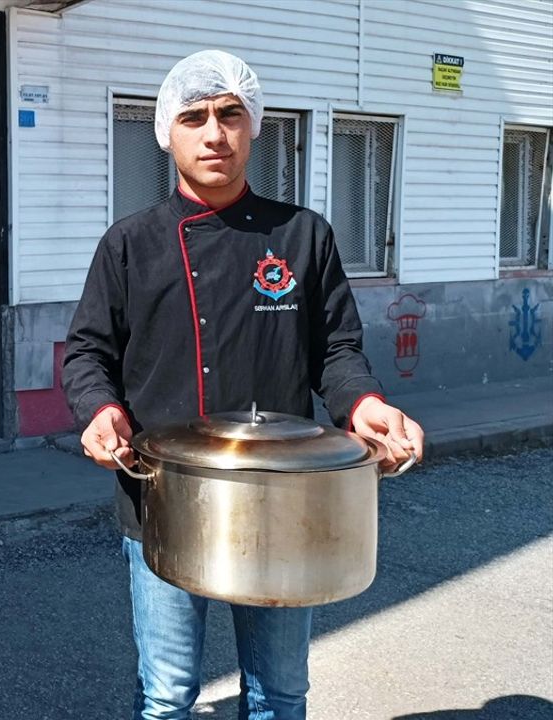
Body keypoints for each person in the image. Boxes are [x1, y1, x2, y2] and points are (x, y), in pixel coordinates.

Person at [62, 50, 425, 719]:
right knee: (167, 696)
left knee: (279, 692)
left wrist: (367, 404)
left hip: (278, 501)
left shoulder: (301, 237)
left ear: (253, 126)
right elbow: (87, 354)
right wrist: (101, 410)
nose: (214, 133)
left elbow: (337, 352)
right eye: (194, 117)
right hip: (161, 497)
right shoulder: (129, 244)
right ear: (167, 132)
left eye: (230, 115)